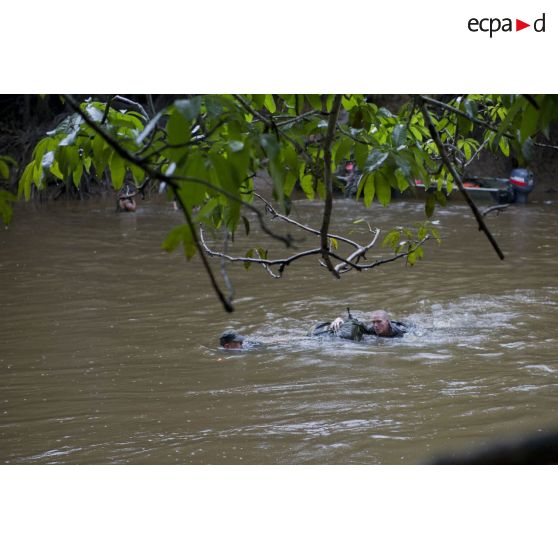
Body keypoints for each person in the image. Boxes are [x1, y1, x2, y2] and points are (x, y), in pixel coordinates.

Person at [310, 308, 407, 341]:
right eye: (373, 322)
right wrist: (339, 319)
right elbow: (355, 324)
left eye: (379, 322)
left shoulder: (400, 331)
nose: (376, 325)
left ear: (387, 321)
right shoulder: (371, 329)